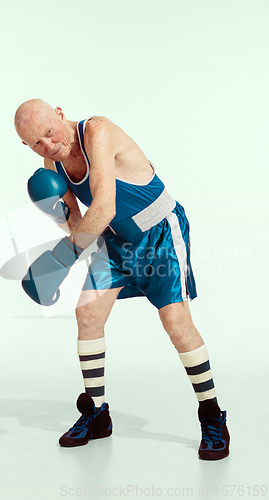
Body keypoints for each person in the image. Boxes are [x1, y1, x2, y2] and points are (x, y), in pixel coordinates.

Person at [14, 99, 230, 460]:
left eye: (49, 132)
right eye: (36, 143)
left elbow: (104, 207)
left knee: (175, 322)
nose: (48, 146)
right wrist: (57, 214)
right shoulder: (51, 162)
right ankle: (96, 414)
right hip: (111, 240)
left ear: (60, 113)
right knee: (88, 316)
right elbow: (78, 223)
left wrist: (61, 259)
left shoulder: (97, 131)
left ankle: (212, 414)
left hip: (158, 231)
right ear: (27, 146)